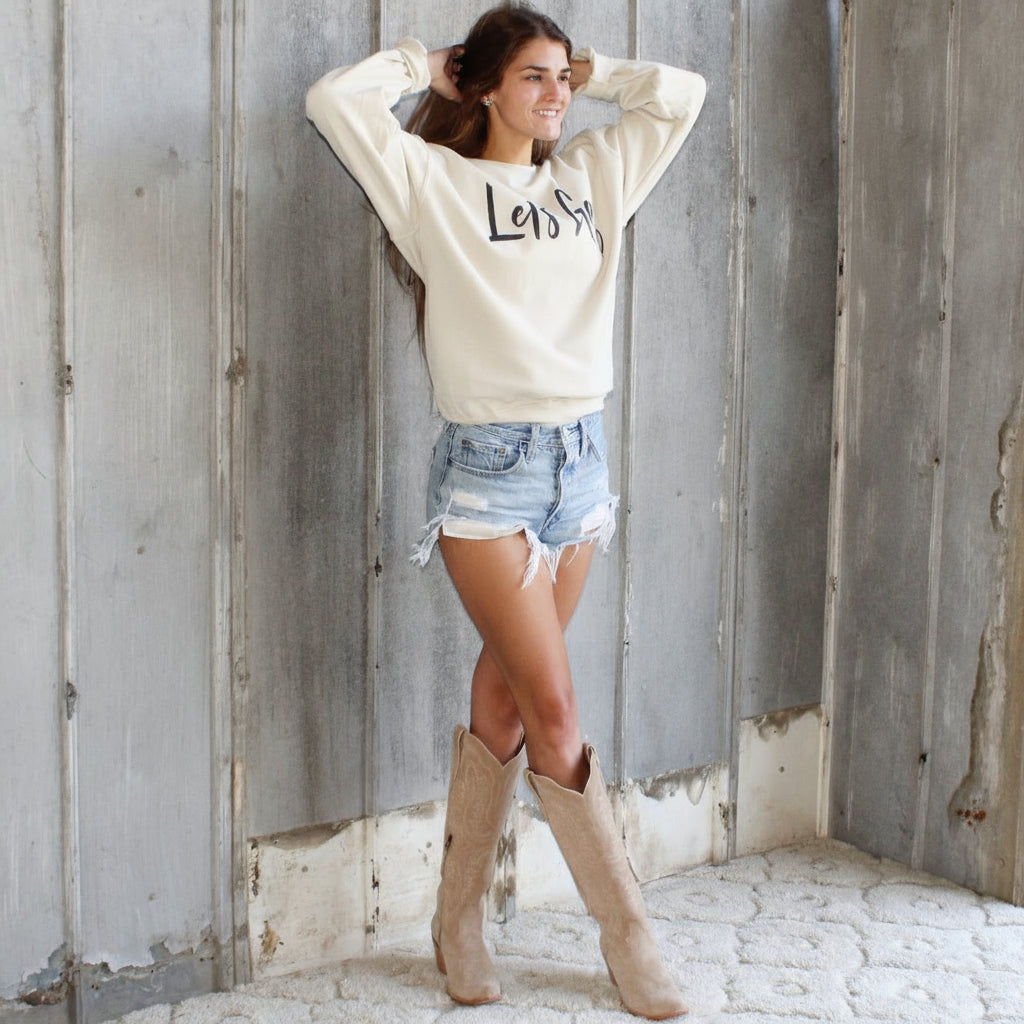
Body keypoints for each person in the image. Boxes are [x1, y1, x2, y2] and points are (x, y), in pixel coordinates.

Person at [306, 3, 705, 1018]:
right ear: (480, 86)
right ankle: (628, 933)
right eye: (532, 77)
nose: (557, 95)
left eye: (561, 76)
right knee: (557, 708)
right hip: (489, 477)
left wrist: (589, 64)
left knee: (505, 700)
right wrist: (421, 67)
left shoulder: (589, 178)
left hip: (582, 470)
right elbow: (333, 102)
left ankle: (455, 920)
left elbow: (683, 98)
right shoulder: (429, 181)